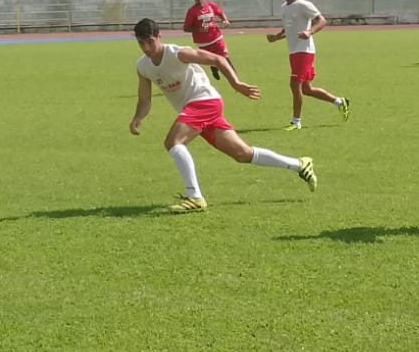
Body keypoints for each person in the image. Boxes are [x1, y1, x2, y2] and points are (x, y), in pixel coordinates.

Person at [130, 18, 316, 212]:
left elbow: (217, 59)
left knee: (173, 142)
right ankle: (299, 165)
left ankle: (194, 197)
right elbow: (145, 100)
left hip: (204, 101)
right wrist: (137, 118)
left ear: (159, 37)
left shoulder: (179, 53)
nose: (147, 48)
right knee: (243, 154)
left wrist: (236, 84)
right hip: (196, 109)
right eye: (141, 43)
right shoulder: (143, 66)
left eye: (150, 41)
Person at [265, 0, 350, 130]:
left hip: (304, 51)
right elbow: (288, 28)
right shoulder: (284, 8)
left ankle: (296, 122)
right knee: (306, 89)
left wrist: (310, 32)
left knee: (294, 84)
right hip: (294, 52)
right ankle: (340, 101)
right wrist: (276, 37)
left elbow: (322, 20)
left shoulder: (304, 4)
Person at [182, 0, 235, 80]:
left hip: (217, 37)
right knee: (213, 60)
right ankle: (214, 68)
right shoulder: (192, 11)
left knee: (225, 57)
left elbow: (220, 13)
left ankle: (235, 78)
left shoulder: (211, 5)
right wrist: (199, 29)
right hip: (203, 42)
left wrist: (225, 20)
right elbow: (186, 28)